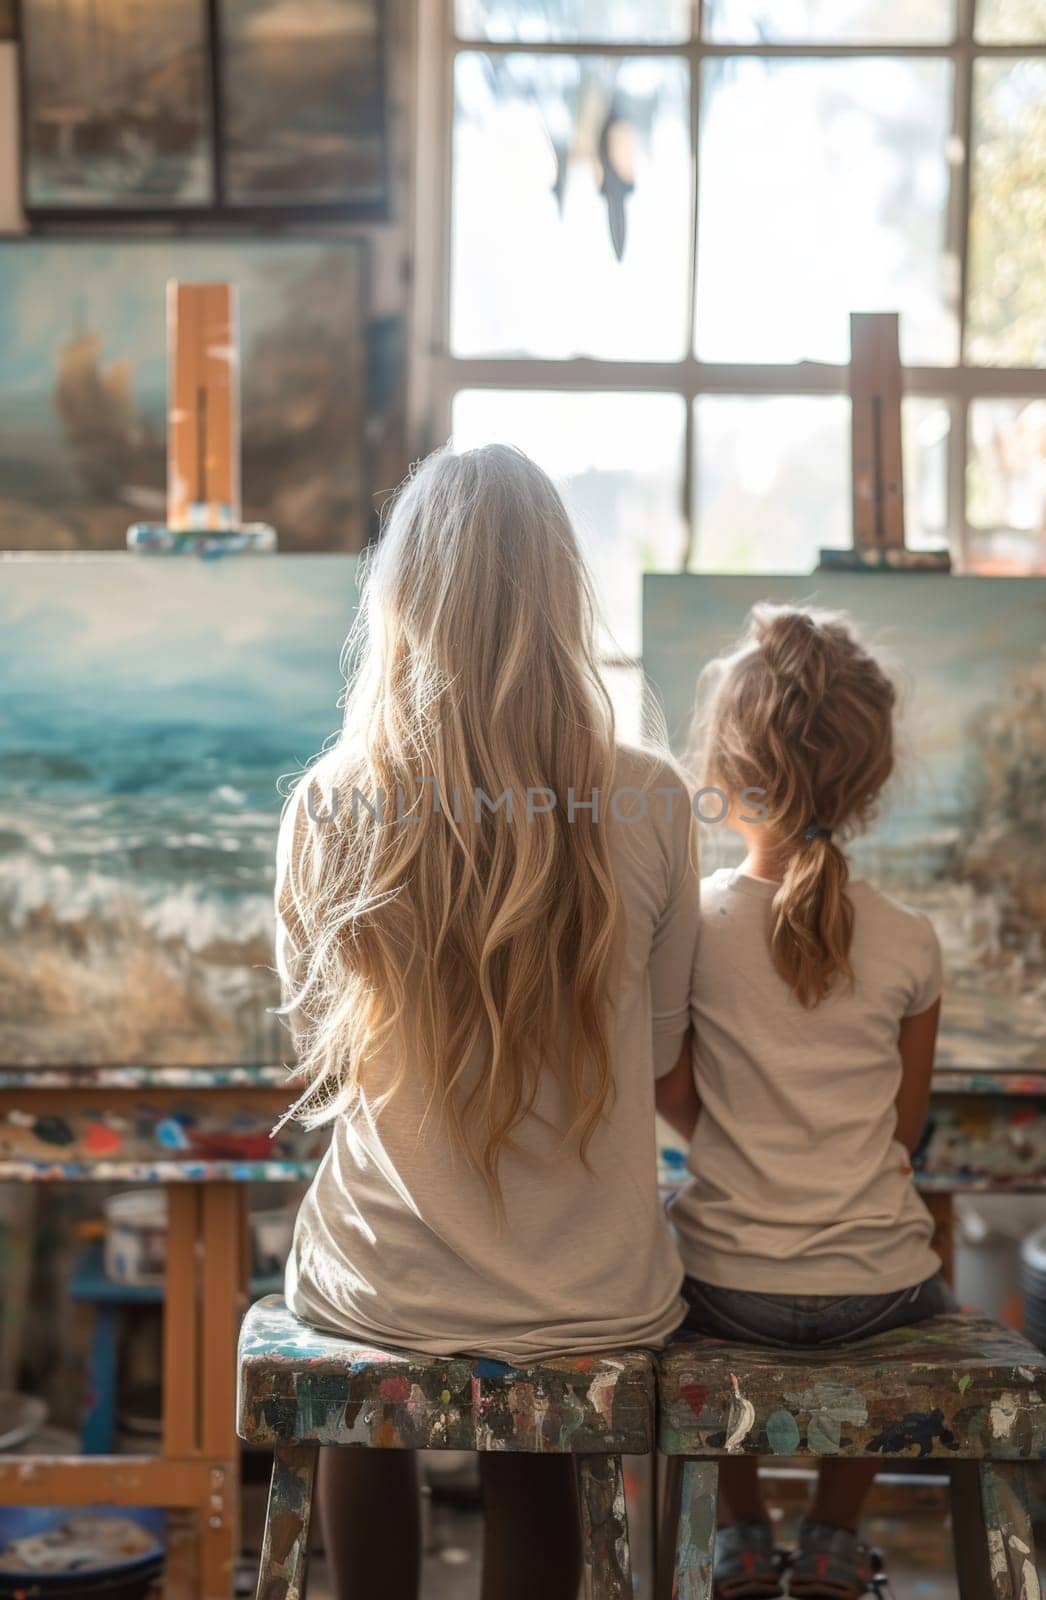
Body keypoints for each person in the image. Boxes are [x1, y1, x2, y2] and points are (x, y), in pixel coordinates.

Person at [274, 443, 699, 1599]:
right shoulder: (651, 796)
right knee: (539, 1440)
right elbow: (660, 1050)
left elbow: (311, 1032)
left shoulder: (331, 800)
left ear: (400, 594)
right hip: (592, 1282)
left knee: (366, 1400)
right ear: (560, 589)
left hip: (386, 1277)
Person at [656, 603, 955, 1600]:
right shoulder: (910, 938)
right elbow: (900, 1133)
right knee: (921, 1255)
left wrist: (732, 1142)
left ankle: (740, 1537)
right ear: (869, 779)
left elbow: (665, 1083)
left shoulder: (694, 921)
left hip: (724, 1288)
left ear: (726, 763)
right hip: (877, 1293)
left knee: (663, 1265)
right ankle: (830, 1536)